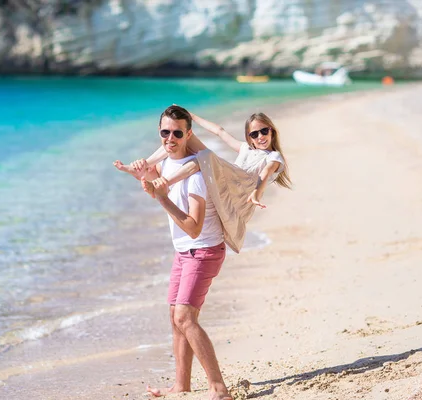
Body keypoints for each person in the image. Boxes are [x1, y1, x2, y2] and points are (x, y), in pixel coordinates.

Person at [141, 105, 231, 400]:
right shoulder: (166, 163)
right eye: (165, 132)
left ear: (188, 134)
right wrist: (139, 174)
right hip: (183, 252)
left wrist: (162, 199)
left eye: (177, 133)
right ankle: (181, 386)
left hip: (203, 250)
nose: (171, 138)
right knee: (175, 317)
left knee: (185, 318)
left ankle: (218, 388)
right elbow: (153, 184)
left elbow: (193, 227)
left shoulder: (195, 173)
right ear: (160, 133)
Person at [113, 108, 291, 253]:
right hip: (229, 178)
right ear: (248, 137)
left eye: (264, 131)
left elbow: (266, 172)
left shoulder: (275, 157)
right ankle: (143, 167)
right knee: (178, 137)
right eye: (254, 134)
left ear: (272, 132)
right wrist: (192, 116)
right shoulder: (246, 148)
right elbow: (219, 131)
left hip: (241, 188)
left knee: (202, 156)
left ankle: (163, 182)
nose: (260, 137)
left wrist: (257, 193)